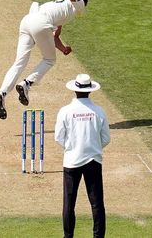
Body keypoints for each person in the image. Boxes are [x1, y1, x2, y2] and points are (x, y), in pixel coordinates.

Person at [0, 0, 88, 119]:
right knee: (49, 60)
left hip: (27, 21)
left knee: (19, 62)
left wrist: (63, 49)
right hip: (41, 22)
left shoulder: (60, 9)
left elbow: (54, 36)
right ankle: (26, 83)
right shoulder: (78, 4)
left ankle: (1, 93)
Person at [55, 74, 110, 238]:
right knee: (97, 203)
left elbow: (58, 137)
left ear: (75, 91)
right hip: (93, 161)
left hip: (72, 161)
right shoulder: (99, 111)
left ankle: (68, 236)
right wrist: (92, 147)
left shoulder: (65, 111)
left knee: (69, 203)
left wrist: (72, 148)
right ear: (90, 91)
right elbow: (106, 138)